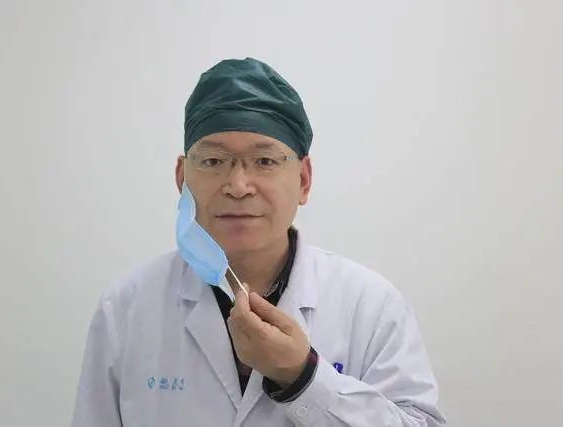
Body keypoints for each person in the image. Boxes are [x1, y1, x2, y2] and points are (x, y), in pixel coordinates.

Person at [71, 57, 446, 426]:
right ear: (182, 178)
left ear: (303, 180)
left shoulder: (371, 307)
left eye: (264, 161)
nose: (238, 186)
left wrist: (303, 377)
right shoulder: (128, 308)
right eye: (213, 161)